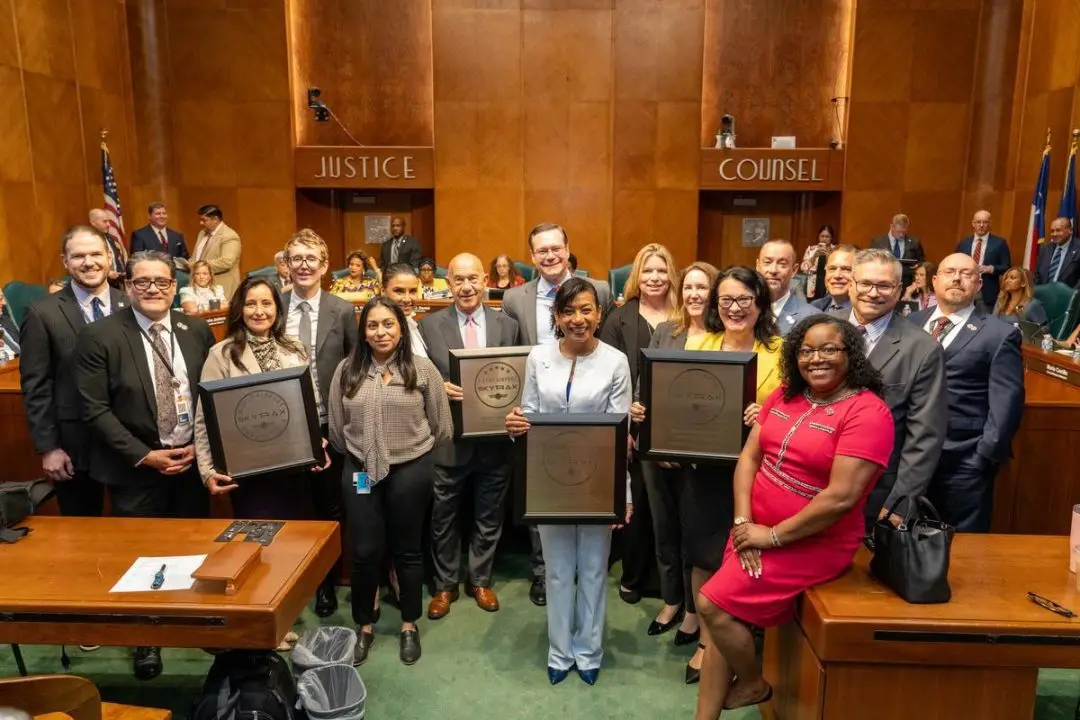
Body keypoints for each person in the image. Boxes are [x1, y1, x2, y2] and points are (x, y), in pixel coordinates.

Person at [694, 315, 894, 717]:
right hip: (750, 531)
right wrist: (742, 523)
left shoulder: (868, 413)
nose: (816, 358)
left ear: (850, 354)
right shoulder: (785, 394)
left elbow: (840, 498)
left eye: (829, 349)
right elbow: (750, 456)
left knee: (711, 605)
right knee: (721, 625)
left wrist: (771, 537)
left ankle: (752, 685)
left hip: (812, 543)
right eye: (805, 350)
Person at [632, 265, 782, 685]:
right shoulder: (701, 343)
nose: (734, 308)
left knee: (744, 555)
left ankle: (731, 639)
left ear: (759, 304)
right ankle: (702, 632)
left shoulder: (780, 351)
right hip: (703, 470)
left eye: (744, 300)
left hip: (756, 474)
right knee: (701, 551)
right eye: (726, 300)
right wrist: (651, 419)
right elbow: (680, 403)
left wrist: (764, 417)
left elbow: (794, 414)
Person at [75, 249, 216, 681]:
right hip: (135, 468)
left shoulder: (196, 331)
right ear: (127, 286)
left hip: (190, 462)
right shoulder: (100, 336)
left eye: (163, 282)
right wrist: (145, 455)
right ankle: (146, 640)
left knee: (193, 552)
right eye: (143, 282)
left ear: (175, 288)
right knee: (142, 561)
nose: (154, 289)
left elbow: (210, 393)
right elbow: (94, 409)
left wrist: (199, 446)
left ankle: (192, 624)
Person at [504, 277, 632, 686]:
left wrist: (621, 494)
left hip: (598, 484)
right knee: (558, 571)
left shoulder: (615, 361)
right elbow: (528, 416)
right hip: (550, 483)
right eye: (569, 311)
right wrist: (514, 425)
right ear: (556, 316)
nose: (578, 319)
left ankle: (589, 650)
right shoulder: (538, 358)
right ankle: (560, 651)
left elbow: (621, 433)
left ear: (599, 313)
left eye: (586, 309)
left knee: (594, 569)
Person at [329, 296, 452, 667]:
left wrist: (407, 451)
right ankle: (364, 624)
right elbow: (337, 430)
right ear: (363, 332)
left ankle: (409, 624)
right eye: (372, 325)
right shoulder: (346, 371)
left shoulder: (422, 369)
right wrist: (363, 455)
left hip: (410, 472)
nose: (380, 332)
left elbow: (441, 427)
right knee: (364, 552)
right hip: (362, 472)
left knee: (408, 550)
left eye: (388, 324)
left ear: (401, 329)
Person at [501, 222, 613, 607]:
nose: (549, 256)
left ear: (568, 249)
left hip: (587, 408)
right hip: (541, 410)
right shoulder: (515, 298)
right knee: (542, 494)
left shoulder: (598, 290)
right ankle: (543, 572)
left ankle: (585, 572)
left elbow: (605, 349)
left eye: (556, 248)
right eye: (541, 251)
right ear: (532, 256)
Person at [419, 253, 522, 619]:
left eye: (473, 279)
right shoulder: (428, 326)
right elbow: (418, 377)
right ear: (448, 284)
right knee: (443, 515)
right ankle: (445, 586)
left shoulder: (507, 325)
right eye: (458, 280)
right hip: (448, 439)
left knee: (489, 513)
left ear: (485, 280)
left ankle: (480, 579)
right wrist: (438, 387)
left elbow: (518, 375)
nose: (466, 287)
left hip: (495, 439)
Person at [195, 276, 330, 518]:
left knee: (302, 542)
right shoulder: (221, 355)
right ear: (239, 309)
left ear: (277, 308)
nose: (259, 311)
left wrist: (315, 442)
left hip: (296, 468)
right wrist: (207, 471)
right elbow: (204, 419)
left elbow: (308, 404)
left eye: (266, 303)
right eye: (251, 304)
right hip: (249, 473)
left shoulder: (294, 348)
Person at [910, 253, 1024, 532]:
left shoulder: (999, 334)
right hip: (907, 458)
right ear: (935, 281)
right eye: (949, 272)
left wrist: (983, 457)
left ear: (979, 284)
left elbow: (1006, 403)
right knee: (903, 543)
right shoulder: (910, 323)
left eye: (966, 273)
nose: (957, 278)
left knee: (963, 551)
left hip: (963, 462)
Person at [21, 226, 129, 518]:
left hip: (131, 443)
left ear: (109, 257)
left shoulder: (132, 305)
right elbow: (36, 385)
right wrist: (48, 448)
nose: (89, 262)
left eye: (96, 254)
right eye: (78, 256)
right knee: (84, 533)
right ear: (65, 261)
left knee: (137, 530)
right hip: (74, 449)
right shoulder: (42, 313)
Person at [281, 229, 359, 618]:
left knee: (330, 508)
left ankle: (326, 584)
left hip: (329, 426)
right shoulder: (271, 306)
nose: (304, 265)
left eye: (311, 258)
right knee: (292, 509)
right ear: (287, 264)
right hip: (282, 428)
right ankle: (291, 584)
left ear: (325, 266)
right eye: (296, 258)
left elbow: (354, 368)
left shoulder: (342, 310)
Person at [839, 249, 946, 529]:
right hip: (809, 486)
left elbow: (924, 437)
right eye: (865, 283)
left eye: (884, 285)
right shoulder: (820, 328)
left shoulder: (923, 349)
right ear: (851, 284)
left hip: (876, 496)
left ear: (898, 291)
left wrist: (902, 502)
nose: (873, 293)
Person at [599, 244, 678, 609]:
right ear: (636, 276)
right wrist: (625, 426)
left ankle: (670, 582)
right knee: (639, 505)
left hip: (677, 429)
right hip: (633, 424)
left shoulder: (686, 315)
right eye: (647, 271)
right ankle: (634, 576)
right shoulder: (619, 318)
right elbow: (609, 375)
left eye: (661, 271)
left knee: (671, 505)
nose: (655, 278)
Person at [756, 239, 814, 335]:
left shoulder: (810, 316)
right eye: (767, 262)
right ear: (758, 266)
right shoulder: (743, 311)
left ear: (794, 270)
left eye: (782, 264)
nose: (773, 270)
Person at [957, 210, 1011, 307]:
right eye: (978, 222)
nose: (981, 225)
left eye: (985, 222)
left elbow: (1007, 267)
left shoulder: (999, 243)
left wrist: (992, 269)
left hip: (987, 293)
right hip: (964, 290)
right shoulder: (964, 243)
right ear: (973, 223)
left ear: (990, 224)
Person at [191, 204, 242, 299]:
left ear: (215, 219)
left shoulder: (229, 236)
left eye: (204, 220)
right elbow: (196, 256)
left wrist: (199, 266)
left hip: (222, 286)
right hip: (200, 287)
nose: (201, 223)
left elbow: (226, 262)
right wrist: (189, 263)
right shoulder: (202, 233)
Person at [382, 262, 429, 358]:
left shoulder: (416, 326)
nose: (407, 299)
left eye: (412, 291)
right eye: (399, 291)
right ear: (383, 292)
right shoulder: (379, 334)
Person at [870, 213, 925, 289]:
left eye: (904, 232)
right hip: (883, 283)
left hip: (907, 285)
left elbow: (922, 262)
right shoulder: (878, 242)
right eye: (899, 232)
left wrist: (918, 266)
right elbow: (870, 262)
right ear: (892, 227)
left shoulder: (914, 242)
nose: (901, 235)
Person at [1034, 217, 1080, 287]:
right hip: (1043, 294)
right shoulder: (1045, 249)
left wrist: (1072, 296)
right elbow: (1037, 276)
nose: (1054, 234)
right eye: (1052, 231)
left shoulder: (1078, 248)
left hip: (1068, 295)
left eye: (1058, 230)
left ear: (1070, 230)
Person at [810, 244, 856, 312]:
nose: (837, 275)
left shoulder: (866, 315)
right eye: (832, 268)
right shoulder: (813, 308)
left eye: (846, 269)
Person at [88, 208, 129, 284]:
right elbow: (89, 263)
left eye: (108, 221)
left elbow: (116, 259)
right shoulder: (88, 241)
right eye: (104, 221)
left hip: (116, 282)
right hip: (99, 283)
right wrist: (107, 273)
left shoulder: (110, 238)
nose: (109, 224)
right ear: (93, 223)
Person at [800, 224, 836, 300]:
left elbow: (836, 266)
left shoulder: (836, 250)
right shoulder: (811, 249)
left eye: (827, 236)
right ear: (818, 237)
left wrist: (828, 256)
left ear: (831, 238)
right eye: (822, 236)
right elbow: (804, 270)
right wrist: (814, 257)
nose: (824, 239)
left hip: (829, 282)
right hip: (813, 283)